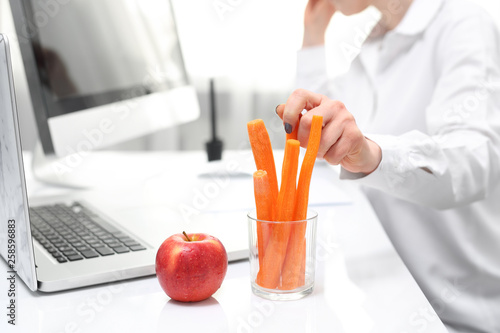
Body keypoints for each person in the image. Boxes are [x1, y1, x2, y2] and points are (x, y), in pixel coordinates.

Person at [276, 0, 500, 331]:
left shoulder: (463, 23)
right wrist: (313, 35)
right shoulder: (376, 39)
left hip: (456, 317)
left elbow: (474, 160)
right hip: (388, 298)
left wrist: (371, 153)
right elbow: (325, 138)